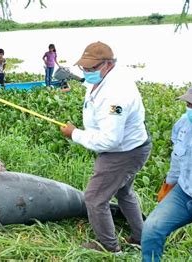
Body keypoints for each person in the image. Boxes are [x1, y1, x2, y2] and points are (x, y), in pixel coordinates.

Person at [60, 41, 151, 253]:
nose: (88, 72)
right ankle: (141, 237)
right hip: (130, 147)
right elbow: (91, 87)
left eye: (92, 68)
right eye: (84, 68)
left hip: (123, 153)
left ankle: (109, 247)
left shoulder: (117, 93)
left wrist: (75, 133)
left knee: (94, 198)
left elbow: (111, 140)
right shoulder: (102, 79)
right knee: (124, 192)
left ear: (108, 64)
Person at [141, 77, 192, 262]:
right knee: (152, 228)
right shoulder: (183, 123)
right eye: (189, 103)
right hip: (183, 193)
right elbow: (178, 158)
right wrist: (169, 184)